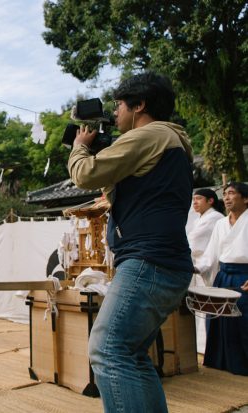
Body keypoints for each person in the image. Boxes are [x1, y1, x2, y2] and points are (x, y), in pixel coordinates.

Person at [68, 72, 193, 413]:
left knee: (108, 349)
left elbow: (85, 174)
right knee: (132, 355)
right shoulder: (171, 141)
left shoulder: (150, 134)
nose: (116, 113)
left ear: (140, 105)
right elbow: (121, 188)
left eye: (119, 105)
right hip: (165, 262)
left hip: (147, 261)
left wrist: (80, 147)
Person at [195, 181, 248, 375]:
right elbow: (210, 255)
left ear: (246, 198)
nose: (226, 197)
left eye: (232, 193)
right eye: (224, 194)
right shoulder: (220, 224)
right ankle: (222, 362)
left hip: (244, 277)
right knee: (219, 318)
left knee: (242, 320)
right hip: (224, 276)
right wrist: (195, 268)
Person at [187, 188, 224, 354]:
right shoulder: (200, 219)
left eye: (199, 199)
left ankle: (207, 345)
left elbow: (194, 243)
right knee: (200, 306)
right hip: (200, 264)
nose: (195, 202)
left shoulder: (215, 217)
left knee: (208, 305)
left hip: (210, 264)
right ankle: (202, 345)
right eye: (193, 199)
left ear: (210, 201)